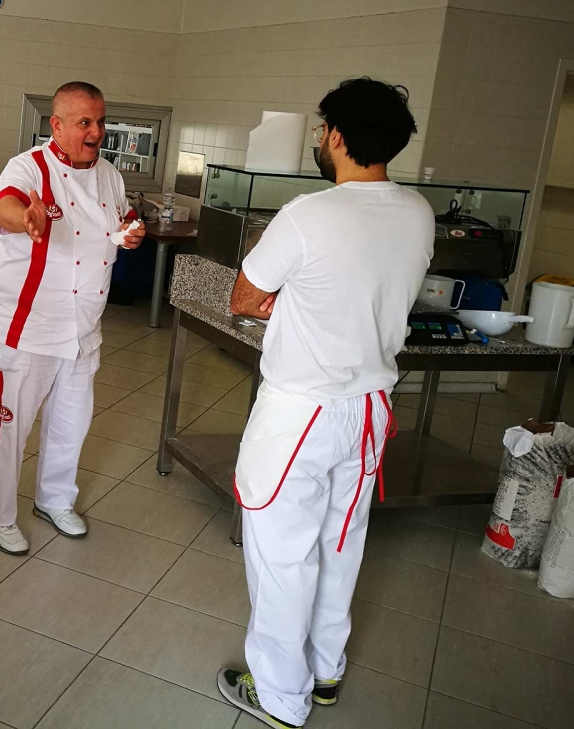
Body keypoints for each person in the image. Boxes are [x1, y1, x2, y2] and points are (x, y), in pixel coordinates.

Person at [215, 78, 435, 729]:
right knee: (343, 542)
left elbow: (244, 298)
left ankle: (281, 697)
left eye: (322, 128)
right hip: (367, 408)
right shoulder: (418, 212)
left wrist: (292, 298)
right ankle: (325, 669)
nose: (318, 138)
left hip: (301, 412)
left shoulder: (309, 215)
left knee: (283, 555)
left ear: (338, 136)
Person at [0, 81, 145, 554]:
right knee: (9, 427)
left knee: (70, 424)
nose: (97, 132)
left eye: (100, 121)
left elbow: (125, 216)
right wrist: (24, 219)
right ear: (56, 125)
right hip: (27, 326)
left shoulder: (110, 175)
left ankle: (54, 500)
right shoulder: (29, 167)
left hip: (83, 327)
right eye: (84, 122)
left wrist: (133, 231)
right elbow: (4, 204)